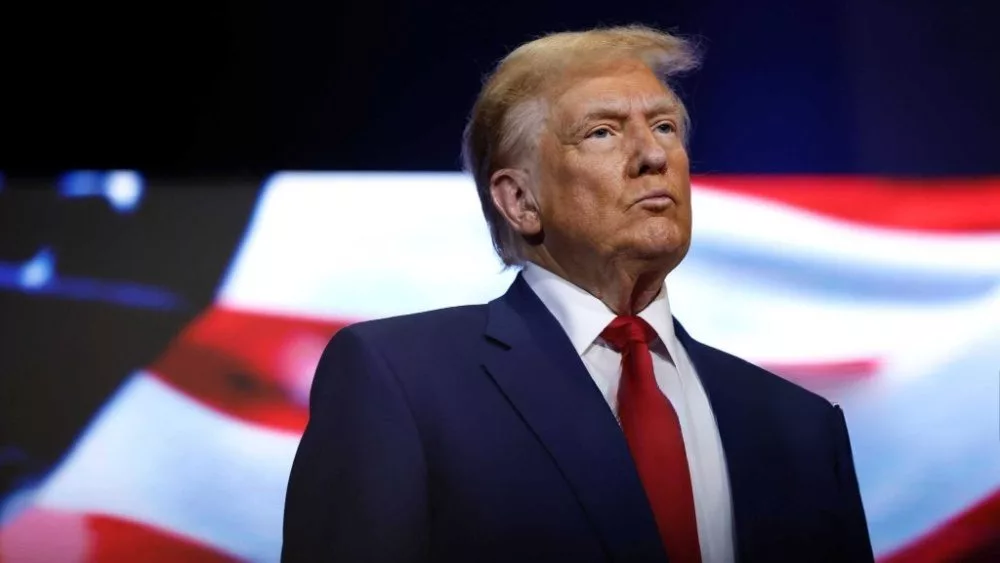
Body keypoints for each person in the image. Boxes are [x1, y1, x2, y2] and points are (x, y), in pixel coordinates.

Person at [281, 25, 874, 563]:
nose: (653, 156)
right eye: (602, 132)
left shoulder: (801, 428)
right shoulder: (402, 381)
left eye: (664, 126)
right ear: (520, 200)